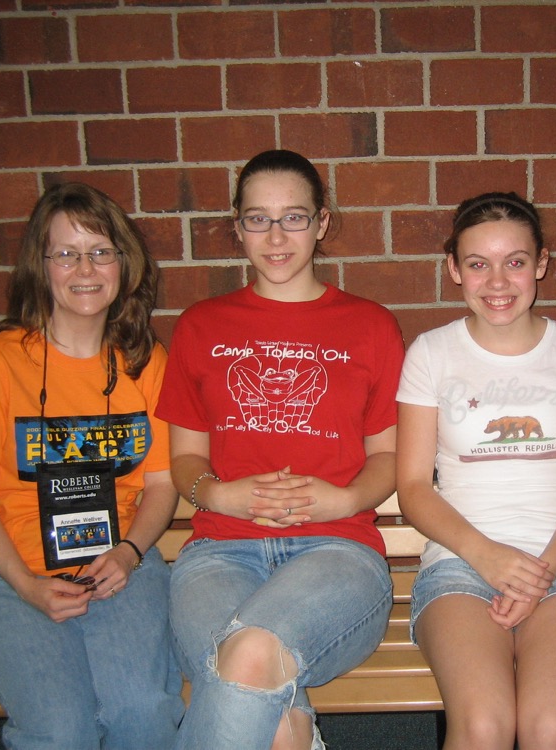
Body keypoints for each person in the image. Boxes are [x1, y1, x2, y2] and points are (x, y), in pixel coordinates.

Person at [157, 149, 404, 750]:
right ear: (237, 226)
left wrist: (342, 499)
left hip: (338, 551)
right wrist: (220, 494)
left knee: (244, 659)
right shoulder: (200, 326)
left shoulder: (371, 325)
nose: (275, 236)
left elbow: (390, 457)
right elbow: (185, 459)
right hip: (219, 551)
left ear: (321, 223)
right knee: (270, 710)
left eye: (293, 217)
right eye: (257, 219)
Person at [0, 183, 184, 749]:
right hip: (11, 573)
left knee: (142, 712)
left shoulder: (145, 362)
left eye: (100, 252)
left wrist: (129, 552)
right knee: (61, 729)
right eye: (66, 253)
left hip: (120, 564)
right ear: (41, 265)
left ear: (123, 264)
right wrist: (26, 584)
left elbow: (161, 484)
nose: (85, 269)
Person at [397, 192, 556, 750]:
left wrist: (541, 571)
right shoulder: (431, 353)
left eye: (515, 261)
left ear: (541, 263)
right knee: (483, 727)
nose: (497, 281)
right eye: (478, 263)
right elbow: (414, 488)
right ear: (454, 269)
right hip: (460, 564)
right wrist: (488, 555)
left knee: (551, 727)